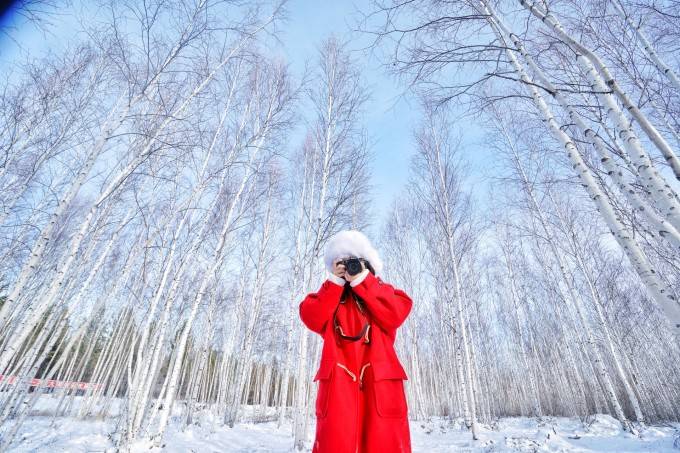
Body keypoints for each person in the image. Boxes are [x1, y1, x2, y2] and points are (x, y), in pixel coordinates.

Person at [299, 230, 413, 453]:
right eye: (344, 263)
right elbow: (310, 316)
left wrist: (364, 281)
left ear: (367, 265)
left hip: (380, 390)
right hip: (338, 393)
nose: (349, 268)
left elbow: (397, 312)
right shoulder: (330, 300)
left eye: (355, 262)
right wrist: (334, 282)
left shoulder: (382, 293)